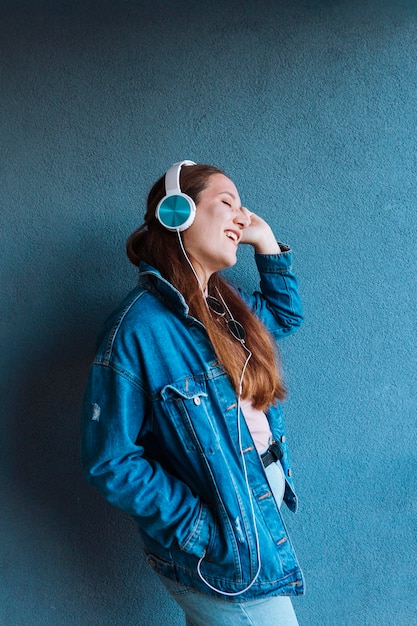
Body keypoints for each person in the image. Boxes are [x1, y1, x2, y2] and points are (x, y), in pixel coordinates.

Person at [81, 161, 305, 625]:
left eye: (243, 209)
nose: (241, 217)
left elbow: (285, 315)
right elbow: (112, 461)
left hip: (252, 517)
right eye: (226, 203)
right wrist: (203, 530)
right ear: (177, 212)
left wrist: (265, 240)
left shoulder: (225, 306)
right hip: (225, 551)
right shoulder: (140, 328)